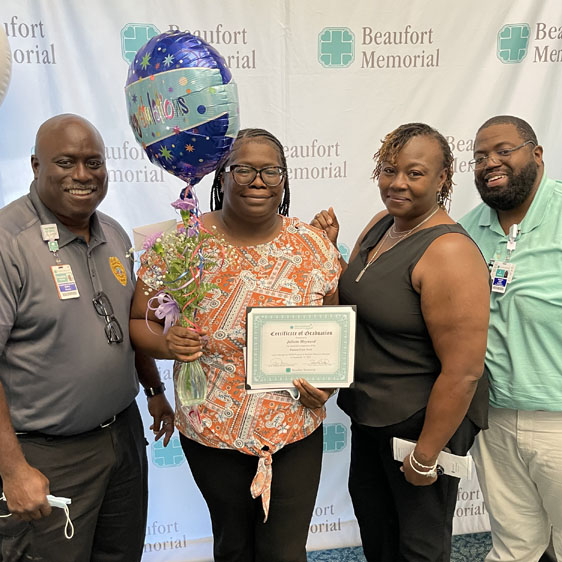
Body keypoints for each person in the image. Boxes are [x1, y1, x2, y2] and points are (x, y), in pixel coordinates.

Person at [130, 128, 341, 562]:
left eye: (270, 171)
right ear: (220, 176)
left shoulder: (313, 246)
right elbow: (138, 322)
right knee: (233, 546)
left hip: (293, 429)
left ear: (284, 180)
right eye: (242, 169)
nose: (257, 181)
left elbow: (332, 331)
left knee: (284, 552)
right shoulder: (181, 244)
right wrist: (168, 342)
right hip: (212, 430)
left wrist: (328, 385)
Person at [312, 122, 490, 562]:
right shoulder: (381, 225)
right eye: (389, 170)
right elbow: (356, 301)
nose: (397, 183)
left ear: (443, 177)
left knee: (418, 546)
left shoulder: (450, 252)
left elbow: (464, 371)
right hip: (371, 413)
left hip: (421, 423)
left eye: (414, 173)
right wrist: (331, 251)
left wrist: (427, 454)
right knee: (378, 533)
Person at [0, 114, 174, 562]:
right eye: (66, 162)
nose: (82, 175)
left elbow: (123, 325)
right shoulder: (8, 244)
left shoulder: (113, 233)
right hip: (46, 455)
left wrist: (154, 390)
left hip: (122, 438)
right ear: (37, 166)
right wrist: (13, 469)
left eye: (93, 162)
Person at [459, 115, 562, 562]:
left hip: (557, 419)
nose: (490, 163)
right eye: (480, 156)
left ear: (536, 155)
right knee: (514, 544)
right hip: (493, 416)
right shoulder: (465, 230)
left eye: (503, 150)